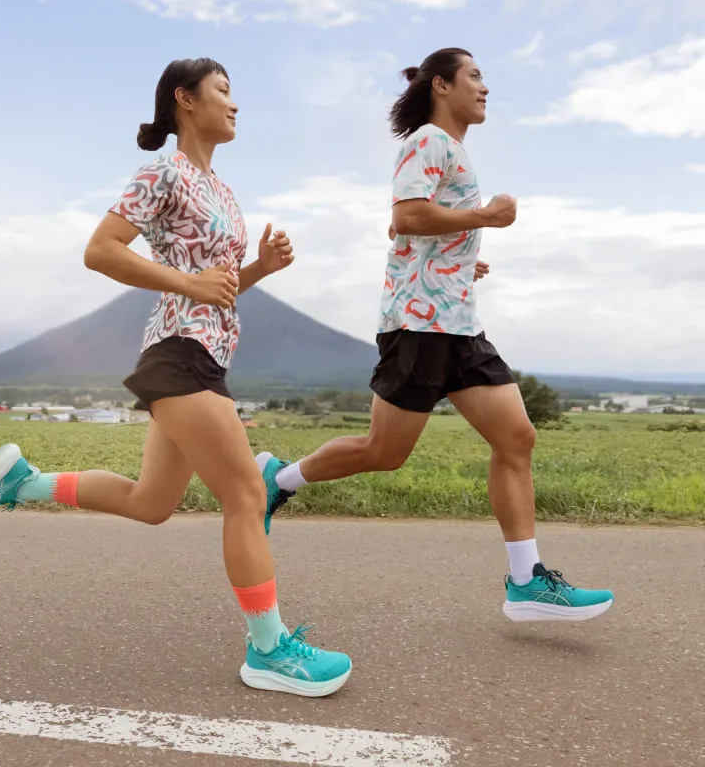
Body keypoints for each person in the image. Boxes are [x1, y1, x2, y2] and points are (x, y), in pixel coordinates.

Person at [0, 57, 352, 697]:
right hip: (179, 353)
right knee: (249, 496)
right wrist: (190, 281)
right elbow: (101, 249)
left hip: (201, 351)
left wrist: (257, 272)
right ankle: (270, 650)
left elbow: (214, 291)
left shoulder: (222, 190)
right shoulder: (162, 171)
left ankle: (23, 483)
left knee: (152, 504)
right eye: (223, 91)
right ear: (184, 100)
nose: (235, 103)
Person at [259, 48, 614, 623]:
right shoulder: (426, 140)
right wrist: (486, 219)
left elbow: (414, 228)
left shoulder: (452, 152)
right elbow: (407, 216)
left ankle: (526, 582)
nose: (485, 88)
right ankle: (281, 478)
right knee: (385, 453)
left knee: (517, 438)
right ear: (443, 86)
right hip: (420, 325)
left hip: (459, 325)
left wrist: (461, 259)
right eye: (475, 76)